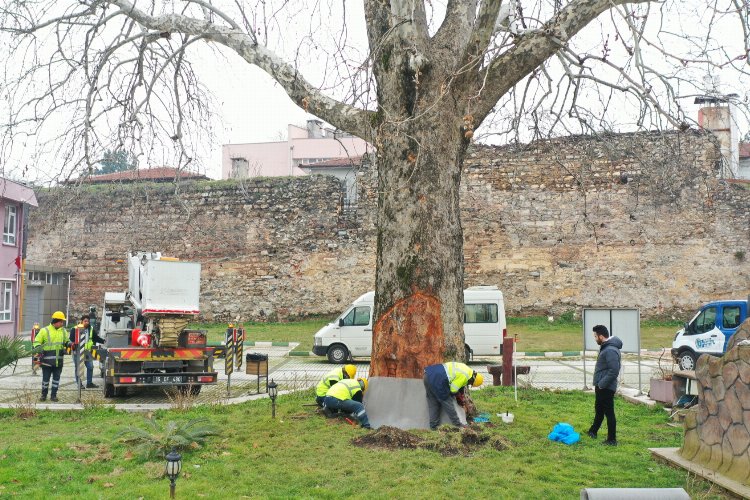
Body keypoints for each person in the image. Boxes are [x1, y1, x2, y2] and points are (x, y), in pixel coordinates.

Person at [587, 324, 623, 446]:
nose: (595, 338)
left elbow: (614, 370)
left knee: (609, 413)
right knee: (599, 410)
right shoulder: (607, 347)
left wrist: (602, 384)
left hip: (606, 387)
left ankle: (612, 440)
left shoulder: (610, 350)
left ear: (601, 336)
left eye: (596, 336)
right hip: (602, 386)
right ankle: (593, 431)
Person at [423, 361, 483, 430]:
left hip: (427, 376)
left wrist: (461, 396)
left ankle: (433, 428)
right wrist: (458, 397)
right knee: (448, 403)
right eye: (471, 383)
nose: (469, 384)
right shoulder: (465, 376)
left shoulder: (466, 369)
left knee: (433, 403)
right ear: (472, 380)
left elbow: (459, 384)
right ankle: (458, 425)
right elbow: (453, 390)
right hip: (439, 379)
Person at [33, 311, 71, 402]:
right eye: (61, 321)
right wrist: (39, 348)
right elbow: (36, 341)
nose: (62, 323)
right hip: (46, 361)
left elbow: (66, 341)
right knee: (45, 380)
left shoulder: (63, 331)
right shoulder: (44, 330)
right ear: (56, 321)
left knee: (56, 380)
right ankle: (44, 395)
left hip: (59, 361)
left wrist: (70, 344)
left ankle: (53, 395)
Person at [70, 315, 105, 389]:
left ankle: (89, 383)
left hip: (87, 352)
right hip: (77, 352)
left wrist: (104, 341)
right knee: (78, 368)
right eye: (85, 321)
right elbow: (71, 340)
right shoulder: (75, 329)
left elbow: (96, 338)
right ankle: (79, 384)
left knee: (90, 367)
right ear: (81, 321)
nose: (87, 322)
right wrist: (72, 346)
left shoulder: (91, 329)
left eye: (88, 321)